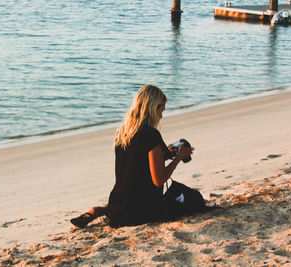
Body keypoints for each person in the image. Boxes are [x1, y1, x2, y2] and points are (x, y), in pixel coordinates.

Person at [70, 84, 199, 228]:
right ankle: (104, 210)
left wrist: (166, 153)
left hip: (118, 203)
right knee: (194, 199)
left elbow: (137, 163)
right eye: (161, 110)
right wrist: (178, 158)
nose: (161, 116)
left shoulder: (123, 132)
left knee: (132, 197)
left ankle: (99, 210)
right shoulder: (151, 135)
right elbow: (159, 180)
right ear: (152, 108)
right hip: (141, 212)